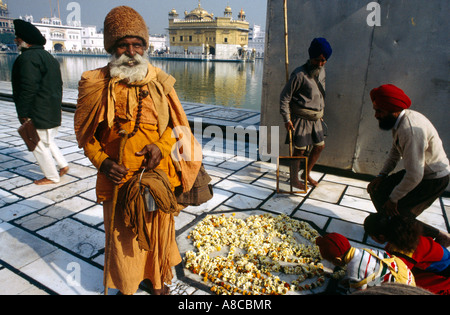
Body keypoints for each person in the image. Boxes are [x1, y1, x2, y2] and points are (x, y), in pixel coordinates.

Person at [74, 6, 202, 295]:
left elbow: (176, 128)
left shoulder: (160, 81)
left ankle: (156, 281)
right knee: (123, 236)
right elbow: (85, 135)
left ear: (146, 47)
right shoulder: (95, 83)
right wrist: (102, 161)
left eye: (137, 44)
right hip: (118, 178)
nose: (131, 51)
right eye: (123, 45)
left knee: (158, 231)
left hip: (157, 178)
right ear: (112, 48)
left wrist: (160, 145)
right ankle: (128, 283)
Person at [367, 84, 450, 247]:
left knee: (400, 213)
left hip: (433, 178)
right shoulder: (399, 121)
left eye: (379, 111)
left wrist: (393, 199)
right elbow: (394, 152)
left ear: (394, 110)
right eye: (375, 110)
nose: (376, 115)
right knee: (376, 189)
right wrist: (381, 176)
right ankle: (390, 225)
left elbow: (415, 176)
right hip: (419, 172)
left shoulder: (410, 129)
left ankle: (440, 237)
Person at [12, 19, 69, 185]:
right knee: (47, 139)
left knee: (35, 142)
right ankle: (63, 165)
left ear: (25, 40)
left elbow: (27, 88)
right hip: (50, 108)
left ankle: (51, 176)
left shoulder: (28, 59)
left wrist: (23, 113)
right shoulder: (48, 57)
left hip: (37, 110)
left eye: (18, 38)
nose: (16, 40)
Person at [280, 37, 332, 189]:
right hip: (301, 119)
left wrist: (319, 113)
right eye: (317, 60)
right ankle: (294, 179)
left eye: (324, 61)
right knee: (300, 150)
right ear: (311, 57)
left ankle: (306, 173)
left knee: (319, 146)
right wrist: (286, 119)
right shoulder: (299, 75)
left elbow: (319, 94)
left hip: (316, 119)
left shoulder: (322, 72)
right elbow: (284, 98)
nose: (320, 64)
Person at [364, 213, 450, 295]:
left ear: (381, 236)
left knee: (408, 290)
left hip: (443, 278)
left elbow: (392, 273)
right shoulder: (403, 236)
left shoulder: (405, 251)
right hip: (430, 268)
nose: (372, 239)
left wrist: (368, 287)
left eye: (372, 237)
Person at [316, 232, 415, 294]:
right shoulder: (363, 251)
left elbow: (356, 293)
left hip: (402, 290)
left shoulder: (354, 268)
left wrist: (353, 286)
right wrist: (354, 282)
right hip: (407, 277)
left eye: (332, 262)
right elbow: (373, 270)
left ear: (338, 260)